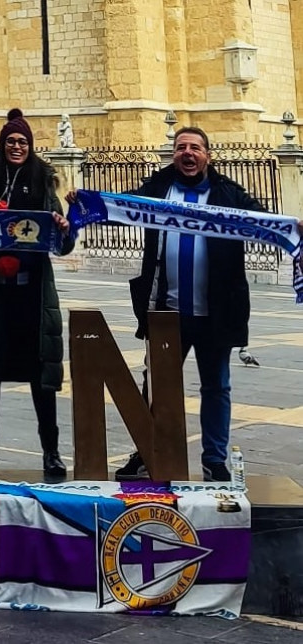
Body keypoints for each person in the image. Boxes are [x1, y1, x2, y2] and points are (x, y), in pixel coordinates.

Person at [114, 126, 266, 482]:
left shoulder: (227, 193)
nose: (187, 153)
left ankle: (214, 459)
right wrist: (84, 203)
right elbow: (119, 205)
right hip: (167, 311)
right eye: (181, 147)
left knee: (216, 386)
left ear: (207, 156)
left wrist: (292, 228)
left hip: (216, 312)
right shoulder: (157, 189)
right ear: (174, 154)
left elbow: (262, 220)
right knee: (155, 386)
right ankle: (146, 452)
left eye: (195, 147)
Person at [0, 108, 73, 480]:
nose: (16, 147)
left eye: (22, 142)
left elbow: (63, 240)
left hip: (32, 292)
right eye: (11, 141)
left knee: (42, 375)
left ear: (30, 145)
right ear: (2, 143)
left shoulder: (43, 177)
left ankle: (51, 452)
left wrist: (61, 227)